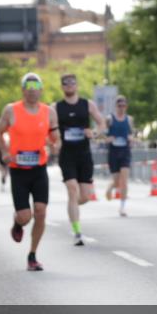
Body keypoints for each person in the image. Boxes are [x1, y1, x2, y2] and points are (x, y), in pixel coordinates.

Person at [0, 72, 60, 272]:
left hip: (39, 168)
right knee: (25, 216)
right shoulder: (11, 110)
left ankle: (32, 255)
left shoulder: (49, 112)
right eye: (28, 88)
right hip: (18, 170)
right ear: (23, 90)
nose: (32, 92)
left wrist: (56, 145)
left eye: (36, 88)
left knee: (40, 212)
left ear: (41, 90)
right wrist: (4, 152)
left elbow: (55, 136)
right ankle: (17, 223)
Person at [56, 73, 106, 246]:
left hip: (84, 155)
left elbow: (101, 123)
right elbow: (48, 128)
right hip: (67, 155)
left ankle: (72, 207)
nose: (69, 85)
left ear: (76, 85)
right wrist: (53, 141)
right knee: (71, 189)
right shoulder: (55, 107)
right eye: (66, 83)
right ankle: (77, 232)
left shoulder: (87, 104)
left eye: (72, 83)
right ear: (62, 87)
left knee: (84, 196)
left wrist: (94, 133)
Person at [104, 95, 134, 217]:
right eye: (119, 105)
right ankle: (110, 188)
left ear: (126, 106)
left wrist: (132, 138)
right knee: (117, 181)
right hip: (113, 152)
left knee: (124, 180)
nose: (121, 108)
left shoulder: (129, 119)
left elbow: (132, 133)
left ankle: (122, 207)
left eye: (123, 105)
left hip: (125, 151)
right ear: (115, 106)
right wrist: (107, 138)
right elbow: (101, 133)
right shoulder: (109, 119)